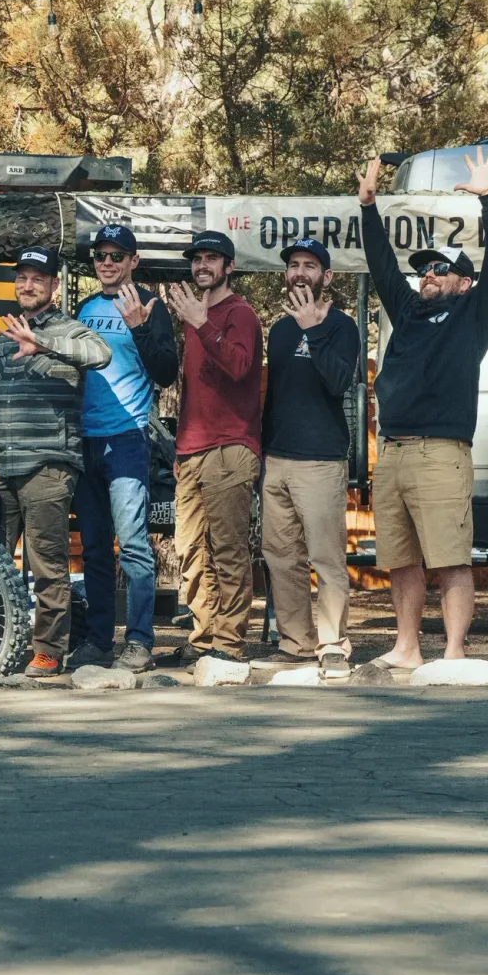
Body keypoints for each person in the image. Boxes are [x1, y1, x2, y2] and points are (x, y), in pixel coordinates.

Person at [358, 147, 488, 666]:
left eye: (441, 269)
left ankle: (453, 653)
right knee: (401, 560)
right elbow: (382, 264)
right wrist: (368, 207)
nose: (428, 274)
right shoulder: (407, 312)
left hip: (441, 453)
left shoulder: (475, 315)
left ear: (463, 283)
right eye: (424, 269)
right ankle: (406, 649)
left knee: (449, 559)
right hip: (393, 453)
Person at [0, 247, 112, 678]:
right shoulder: (7, 335)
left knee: (48, 565)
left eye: (37, 279)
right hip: (2, 468)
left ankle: (48, 650)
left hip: (49, 466)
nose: (27, 285)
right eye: (22, 278)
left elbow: (101, 354)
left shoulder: (71, 330)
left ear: (54, 285)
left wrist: (42, 342)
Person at [73, 224, 179, 672]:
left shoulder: (150, 306)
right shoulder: (85, 308)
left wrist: (139, 328)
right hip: (86, 439)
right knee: (94, 548)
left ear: (134, 261)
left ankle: (138, 641)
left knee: (134, 544)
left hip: (128, 438)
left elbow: (167, 371)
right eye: (101, 255)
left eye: (117, 255)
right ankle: (99, 641)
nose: (107, 262)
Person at [256, 238, 362, 679]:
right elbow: (275, 396)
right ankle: (295, 642)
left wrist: (314, 330)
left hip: (320, 460)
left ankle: (333, 644)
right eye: (294, 265)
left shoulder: (342, 326)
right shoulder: (280, 330)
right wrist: (262, 452)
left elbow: (339, 382)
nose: (300, 272)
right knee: (281, 557)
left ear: (327, 277)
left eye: (310, 265)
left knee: (326, 557)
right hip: (277, 459)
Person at [163, 230, 263, 665]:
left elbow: (240, 367)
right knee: (190, 551)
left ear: (229, 267)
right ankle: (202, 638)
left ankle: (229, 643)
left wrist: (202, 323)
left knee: (227, 549)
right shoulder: (193, 315)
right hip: (192, 449)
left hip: (231, 446)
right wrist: (181, 447)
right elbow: (192, 389)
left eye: (211, 258)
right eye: (197, 258)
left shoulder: (241, 313)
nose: (202, 265)